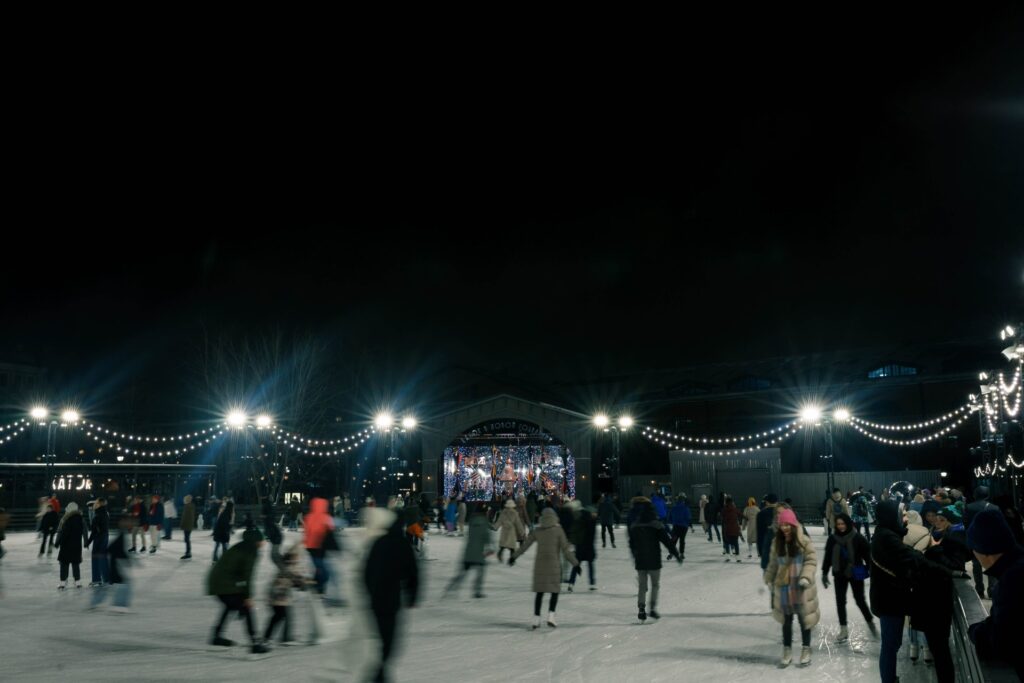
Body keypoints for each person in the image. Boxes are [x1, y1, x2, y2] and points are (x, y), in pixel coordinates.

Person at [870, 499, 951, 683]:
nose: (906, 518)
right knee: (890, 645)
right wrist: (944, 571)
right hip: (889, 601)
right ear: (892, 516)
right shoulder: (886, 537)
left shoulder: (888, 533)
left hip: (891, 598)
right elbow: (910, 558)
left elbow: (908, 554)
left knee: (893, 644)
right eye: (903, 514)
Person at [909, 505, 970, 682]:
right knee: (938, 649)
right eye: (936, 519)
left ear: (952, 522)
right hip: (931, 602)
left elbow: (953, 566)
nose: (937, 522)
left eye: (942, 520)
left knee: (940, 649)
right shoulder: (936, 537)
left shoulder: (953, 540)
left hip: (937, 604)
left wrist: (934, 550)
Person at [966, 508, 1024, 679]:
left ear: (984, 552)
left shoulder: (1012, 580)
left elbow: (1003, 641)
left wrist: (977, 632)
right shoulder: (1016, 566)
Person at [364, 507, 419, 683]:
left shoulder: (379, 542)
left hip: (375, 598)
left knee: (381, 638)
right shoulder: (403, 544)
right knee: (388, 640)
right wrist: (412, 595)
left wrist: (369, 590)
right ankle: (378, 675)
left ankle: (379, 673)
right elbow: (413, 573)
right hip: (391, 598)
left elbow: (365, 571)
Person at [764, 507, 819, 667]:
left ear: (794, 525)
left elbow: (811, 560)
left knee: (804, 620)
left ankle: (806, 649)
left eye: (788, 525)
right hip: (784, 588)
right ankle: (787, 650)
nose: (785, 528)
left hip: (801, 586)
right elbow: (773, 563)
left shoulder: (804, 541)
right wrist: (769, 577)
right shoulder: (777, 542)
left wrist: (805, 577)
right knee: (786, 621)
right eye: (782, 525)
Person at [510, 507, 579, 629]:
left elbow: (525, 545)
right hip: (554, 566)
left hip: (540, 566)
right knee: (554, 592)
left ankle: (536, 619)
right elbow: (566, 550)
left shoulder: (538, 531)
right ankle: (551, 616)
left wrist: (514, 556)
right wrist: (576, 564)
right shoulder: (559, 530)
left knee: (540, 593)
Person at [821, 513, 875, 643]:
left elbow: (868, 555)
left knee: (860, 600)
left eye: (843, 524)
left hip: (855, 573)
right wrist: (824, 572)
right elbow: (828, 556)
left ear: (848, 523)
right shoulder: (832, 539)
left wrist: (870, 569)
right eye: (838, 524)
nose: (840, 527)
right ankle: (843, 629)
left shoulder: (858, 538)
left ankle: (870, 623)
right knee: (840, 601)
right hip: (839, 574)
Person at [629, 499, 680, 621]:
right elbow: (667, 541)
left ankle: (641, 608)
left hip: (640, 560)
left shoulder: (635, 525)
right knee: (655, 585)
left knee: (642, 586)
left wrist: (635, 554)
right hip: (654, 560)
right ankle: (652, 609)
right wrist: (675, 553)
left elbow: (631, 543)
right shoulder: (656, 525)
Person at [445, 504, 492, 598]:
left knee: (462, 573)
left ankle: (450, 588)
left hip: (469, 552)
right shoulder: (485, 523)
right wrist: (490, 548)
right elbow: (486, 537)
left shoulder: (472, 521)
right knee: (481, 571)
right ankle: (477, 591)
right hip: (478, 553)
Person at [264, 543, 307, 646]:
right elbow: (295, 579)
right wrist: (302, 584)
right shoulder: (288, 566)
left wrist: (301, 583)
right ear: (292, 556)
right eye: (296, 556)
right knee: (279, 616)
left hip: (279, 594)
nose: (298, 558)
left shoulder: (287, 564)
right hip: (278, 595)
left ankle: (285, 637)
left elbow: (295, 579)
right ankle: (267, 638)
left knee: (284, 615)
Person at [964, 486, 999, 599]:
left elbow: (966, 524)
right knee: (992, 565)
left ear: (975, 495)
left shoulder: (969, 507)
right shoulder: (995, 508)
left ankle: (979, 590)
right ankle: (992, 590)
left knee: (977, 565)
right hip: (992, 541)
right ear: (988, 495)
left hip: (976, 540)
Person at [303, 497, 335, 595]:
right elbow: (331, 529)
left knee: (318, 566)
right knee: (321, 567)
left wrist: (306, 541)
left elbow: (306, 531)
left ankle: (317, 583)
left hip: (311, 546)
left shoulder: (309, 517)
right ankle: (320, 584)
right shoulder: (326, 517)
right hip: (322, 546)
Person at [54, 501, 89, 589]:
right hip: (76, 545)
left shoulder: (65, 518)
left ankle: (63, 582)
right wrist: (85, 542)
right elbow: (85, 531)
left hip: (65, 545)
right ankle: (78, 582)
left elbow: (60, 531)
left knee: (64, 563)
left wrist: (57, 542)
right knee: (75, 563)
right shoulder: (81, 519)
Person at [568, 502, 598, 592]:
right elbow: (592, 536)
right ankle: (592, 583)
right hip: (588, 546)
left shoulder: (578, 519)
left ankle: (571, 583)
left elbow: (574, 531)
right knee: (590, 565)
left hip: (580, 546)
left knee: (576, 565)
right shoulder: (592, 521)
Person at [86, 497, 110, 587]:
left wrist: (88, 542)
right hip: (105, 537)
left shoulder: (97, 515)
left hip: (99, 538)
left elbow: (94, 531)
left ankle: (96, 579)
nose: (94, 504)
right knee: (103, 558)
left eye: (96, 503)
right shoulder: (106, 513)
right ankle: (106, 578)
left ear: (99, 504)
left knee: (96, 558)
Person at [496, 499, 526, 563]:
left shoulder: (503, 512)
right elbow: (518, 523)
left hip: (504, 531)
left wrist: (495, 527)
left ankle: (499, 553)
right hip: (511, 531)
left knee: (503, 545)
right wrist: (522, 532)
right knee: (512, 547)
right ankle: (512, 560)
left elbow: (499, 521)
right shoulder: (515, 513)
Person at [757, 494, 779, 572]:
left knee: (769, 578)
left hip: (766, 548)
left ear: (766, 502)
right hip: (781, 549)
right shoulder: (782, 512)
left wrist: (760, 551)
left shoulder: (761, 514)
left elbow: (759, 534)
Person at [667, 494, 691, 562]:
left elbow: (669, 517)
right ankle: (682, 553)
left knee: (674, 540)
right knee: (682, 540)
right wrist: (687, 524)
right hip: (684, 527)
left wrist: (673, 522)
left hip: (676, 526)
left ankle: (671, 553)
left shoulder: (674, 507)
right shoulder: (686, 507)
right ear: (683, 500)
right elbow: (688, 517)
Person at [721, 496, 742, 562]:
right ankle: (738, 557)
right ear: (732, 502)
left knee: (727, 542)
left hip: (727, 529)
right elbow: (740, 514)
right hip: (735, 529)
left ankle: (728, 556)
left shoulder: (724, 510)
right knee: (736, 543)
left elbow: (722, 518)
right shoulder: (734, 509)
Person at [180, 495, 197, 560]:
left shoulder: (187, 506)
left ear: (186, 500)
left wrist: (182, 525)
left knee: (186, 539)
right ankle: (188, 552)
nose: (183, 500)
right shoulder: (192, 506)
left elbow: (184, 517)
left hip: (186, 525)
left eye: (184, 499)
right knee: (187, 539)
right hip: (190, 525)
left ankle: (188, 553)